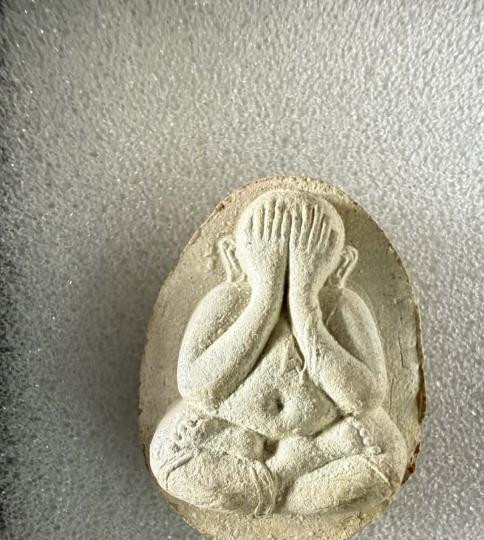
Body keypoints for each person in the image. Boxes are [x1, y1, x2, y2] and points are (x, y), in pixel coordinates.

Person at [149, 190, 407, 515]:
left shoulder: (342, 304)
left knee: (388, 459)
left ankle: (277, 487)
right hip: (232, 433)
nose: (288, 265)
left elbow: (364, 397)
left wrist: (304, 303)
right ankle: (292, 489)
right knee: (167, 455)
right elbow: (197, 389)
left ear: (341, 265)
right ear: (233, 257)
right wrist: (265, 297)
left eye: (306, 252)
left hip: (324, 442)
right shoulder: (228, 299)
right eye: (272, 251)